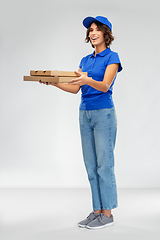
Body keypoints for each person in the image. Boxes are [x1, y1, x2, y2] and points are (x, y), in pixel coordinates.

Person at [39, 15, 123, 230]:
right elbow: (76, 88)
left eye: (97, 29)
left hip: (103, 114)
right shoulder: (85, 60)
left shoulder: (112, 58)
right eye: (90, 30)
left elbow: (105, 85)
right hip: (84, 114)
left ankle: (108, 214)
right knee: (91, 165)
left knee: (105, 165)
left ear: (106, 33)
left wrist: (87, 80)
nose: (92, 33)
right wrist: (53, 83)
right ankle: (96, 211)